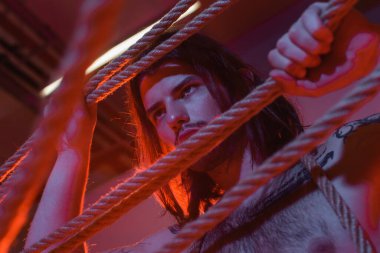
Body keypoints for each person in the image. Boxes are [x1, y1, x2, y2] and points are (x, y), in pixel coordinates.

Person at [25, 2, 380, 252]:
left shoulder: (346, 159)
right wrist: (71, 155)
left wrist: (370, 53)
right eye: (157, 113)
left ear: (240, 84)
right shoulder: (189, 243)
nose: (174, 117)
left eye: (187, 89)